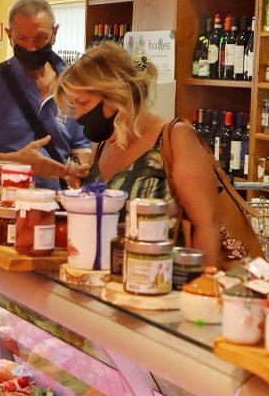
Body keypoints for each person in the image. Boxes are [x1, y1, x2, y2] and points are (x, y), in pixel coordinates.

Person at [53, 41, 222, 265]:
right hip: (110, 286)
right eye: (75, 105)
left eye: (83, 103)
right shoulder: (103, 145)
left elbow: (207, 224)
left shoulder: (174, 138)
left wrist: (201, 290)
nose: (78, 115)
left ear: (116, 94)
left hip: (166, 284)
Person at [0, 0, 91, 191]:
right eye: (22, 39)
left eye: (40, 38)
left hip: (57, 205)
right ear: (9, 35)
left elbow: (81, 150)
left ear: (54, 33)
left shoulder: (74, 83)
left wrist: (79, 166)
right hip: (0, 204)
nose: (31, 47)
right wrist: (15, 161)